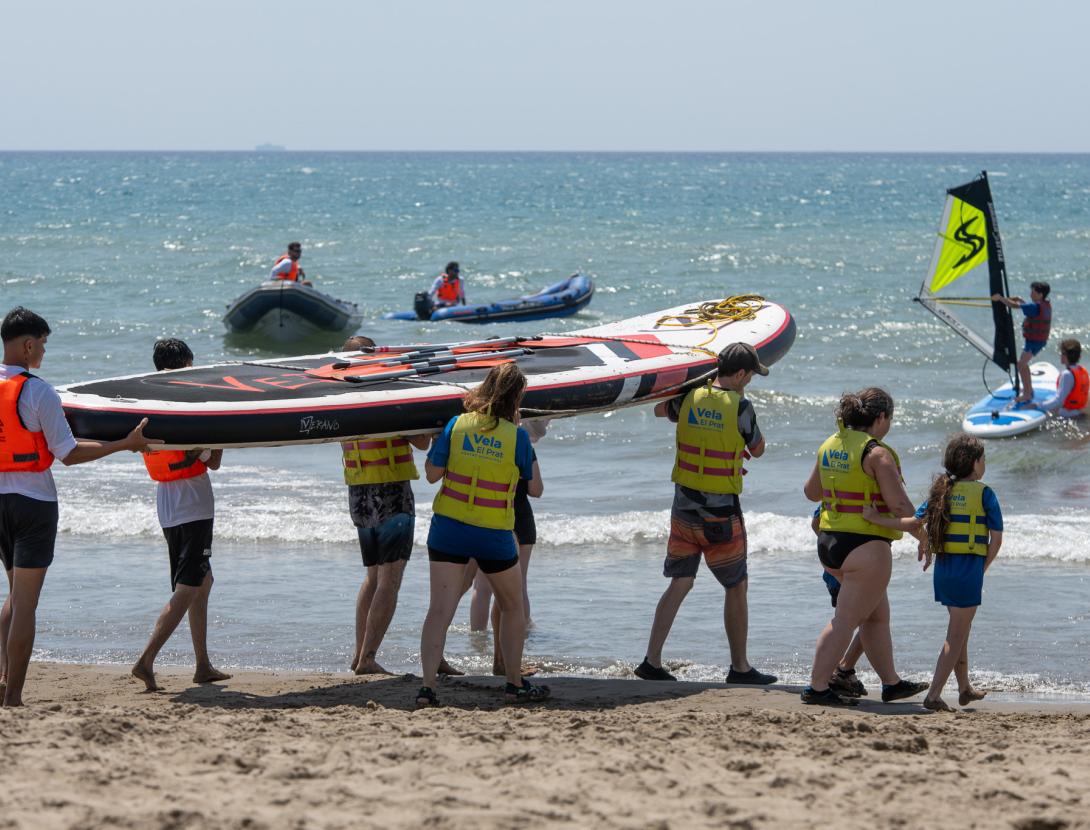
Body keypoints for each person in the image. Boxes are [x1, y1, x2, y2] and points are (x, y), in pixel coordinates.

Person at [1, 307, 160, 706]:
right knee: (26, 605)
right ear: (28, 344)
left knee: (14, 598)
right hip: (33, 504)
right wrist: (125, 443)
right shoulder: (38, 391)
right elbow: (67, 453)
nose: (43, 355)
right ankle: (14, 697)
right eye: (43, 346)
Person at [634, 342, 777, 686]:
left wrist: (688, 388)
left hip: (683, 507)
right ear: (740, 374)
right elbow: (757, 449)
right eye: (752, 375)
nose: (751, 381)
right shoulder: (741, 406)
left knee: (681, 581)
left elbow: (658, 410)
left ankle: (651, 661)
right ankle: (739, 667)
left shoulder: (689, 398)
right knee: (736, 585)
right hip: (719, 513)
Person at [416, 362, 549, 706]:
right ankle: (514, 682)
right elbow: (535, 489)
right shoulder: (517, 436)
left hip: (448, 530)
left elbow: (431, 474)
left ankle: (428, 687)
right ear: (517, 398)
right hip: (493, 534)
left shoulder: (456, 425)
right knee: (512, 605)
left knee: (439, 610)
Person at [801, 387, 928, 707]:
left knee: (876, 617)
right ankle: (816, 688)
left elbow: (811, 493)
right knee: (845, 620)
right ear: (880, 417)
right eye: (890, 419)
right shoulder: (877, 453)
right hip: (866, 547)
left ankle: (891, 683)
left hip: (830, 543)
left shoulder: (830, 445)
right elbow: (900, 506)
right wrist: (924, 535)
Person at [863, 435, 1001, 712]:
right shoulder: (985, 493)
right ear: (974, 463)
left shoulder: (941, 491)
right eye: (983, 458)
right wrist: (981, 569)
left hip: (945, 569)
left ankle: (964, 688)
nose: (984, 463)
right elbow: (995, 540)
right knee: (956, 634)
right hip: (967, 570)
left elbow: (913, 522)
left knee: (960, 630)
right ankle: (934, 694)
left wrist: (875, 517)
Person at [132, 339, 231, 692]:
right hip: (193, 502)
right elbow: (214, 461)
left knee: (202, 582)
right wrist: (222, 427)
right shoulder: (187, 406)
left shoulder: (150, 405)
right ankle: (146, 660)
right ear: (187, 366)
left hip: (167, 502)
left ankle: (202, 664)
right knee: (189, 586)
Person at [338, 335, 434, 676]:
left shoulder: (338, 395)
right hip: (390, 489)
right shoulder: (383, 391)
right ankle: (367, 658)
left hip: (358, 491)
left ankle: (358, 653)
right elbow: (421, 441)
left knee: (373, 576)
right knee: (390, 579)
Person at [467, 417, 547, 676]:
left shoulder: (476, 439)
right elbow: (536, 489)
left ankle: (477, 643)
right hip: (518, 518)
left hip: (482, 516)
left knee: (481, 587)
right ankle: (514, 650)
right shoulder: (520, 441)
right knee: (516, 587)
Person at [812, 507, 867, 698]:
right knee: (855, 622)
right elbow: (816, 521)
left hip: (841, 568)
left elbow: (816, 522)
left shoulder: (840, 489)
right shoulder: (849, 494)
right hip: (842, 572)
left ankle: (844, 670)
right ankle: (838, 673)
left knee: (862, 621)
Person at [992, 281, 1051, 402]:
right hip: (1037, 340)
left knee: (1021, 365)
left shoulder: (1034, 306)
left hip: (1034, 342)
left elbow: (1013, 306)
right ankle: (1029, 390)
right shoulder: (1042, 304)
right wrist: (1019, 299)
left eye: (1033, 292)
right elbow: (1028, 308)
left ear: (1040, 295)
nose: (1030, 294)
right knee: (1023, 364)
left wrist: (1000, 298)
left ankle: (1028, 393)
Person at [1038, 338, 1088, 418]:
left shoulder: (1067, 375)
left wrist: (1038, 406)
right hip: (1080, 414)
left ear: (1066, 355)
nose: (1060, 355)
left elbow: (1058, 401)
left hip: (1068, 416)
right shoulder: (1082, 371)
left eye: (1062, 353)